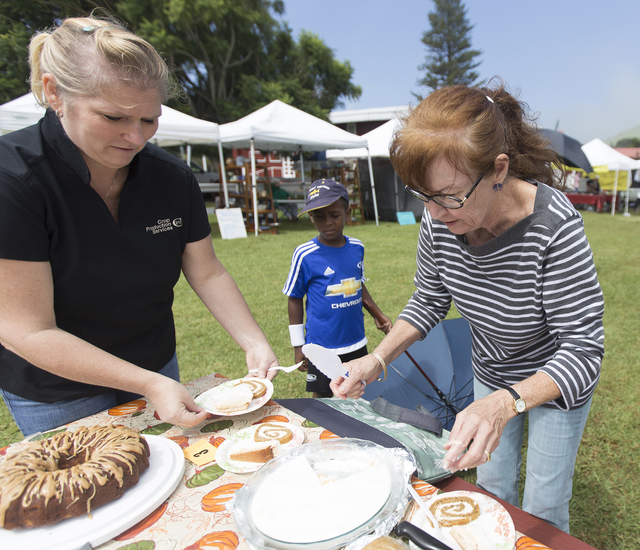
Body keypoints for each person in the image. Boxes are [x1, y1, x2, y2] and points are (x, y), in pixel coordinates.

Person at [331, 83, 604, 533]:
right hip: (491, 369)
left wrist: (507, 404)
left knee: (543, 504)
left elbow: (583, 349)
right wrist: (377, 359)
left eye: (450, 196)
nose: (436, 214)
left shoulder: (554, 226)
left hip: (553, 378)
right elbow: (430, 297)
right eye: (423, 196)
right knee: (492, 490)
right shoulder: (440, 215)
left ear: (498, 169)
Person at [0, 15, 279, 437]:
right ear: (54, 92)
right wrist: (147, 383)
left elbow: (207, 270)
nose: (134, 137)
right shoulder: (13, 177)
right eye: (113, 118)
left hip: (154, 359)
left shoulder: (172, 177)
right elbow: (28, 329)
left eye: (149, 120)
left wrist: (254, 341)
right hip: (57, 388)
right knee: (95, 495)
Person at [283, 179, 392, 398]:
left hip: (355, 340)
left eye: (334, 215)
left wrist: (378, 315)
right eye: (319, 217)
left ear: (347, 213)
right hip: (322, 346)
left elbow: (358, 286)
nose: (327, 223)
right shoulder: (305, 254)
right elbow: (294, 298)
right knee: (324, 401)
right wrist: (298, 346)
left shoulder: (357, 248)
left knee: (356, 395)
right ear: (311, 217)